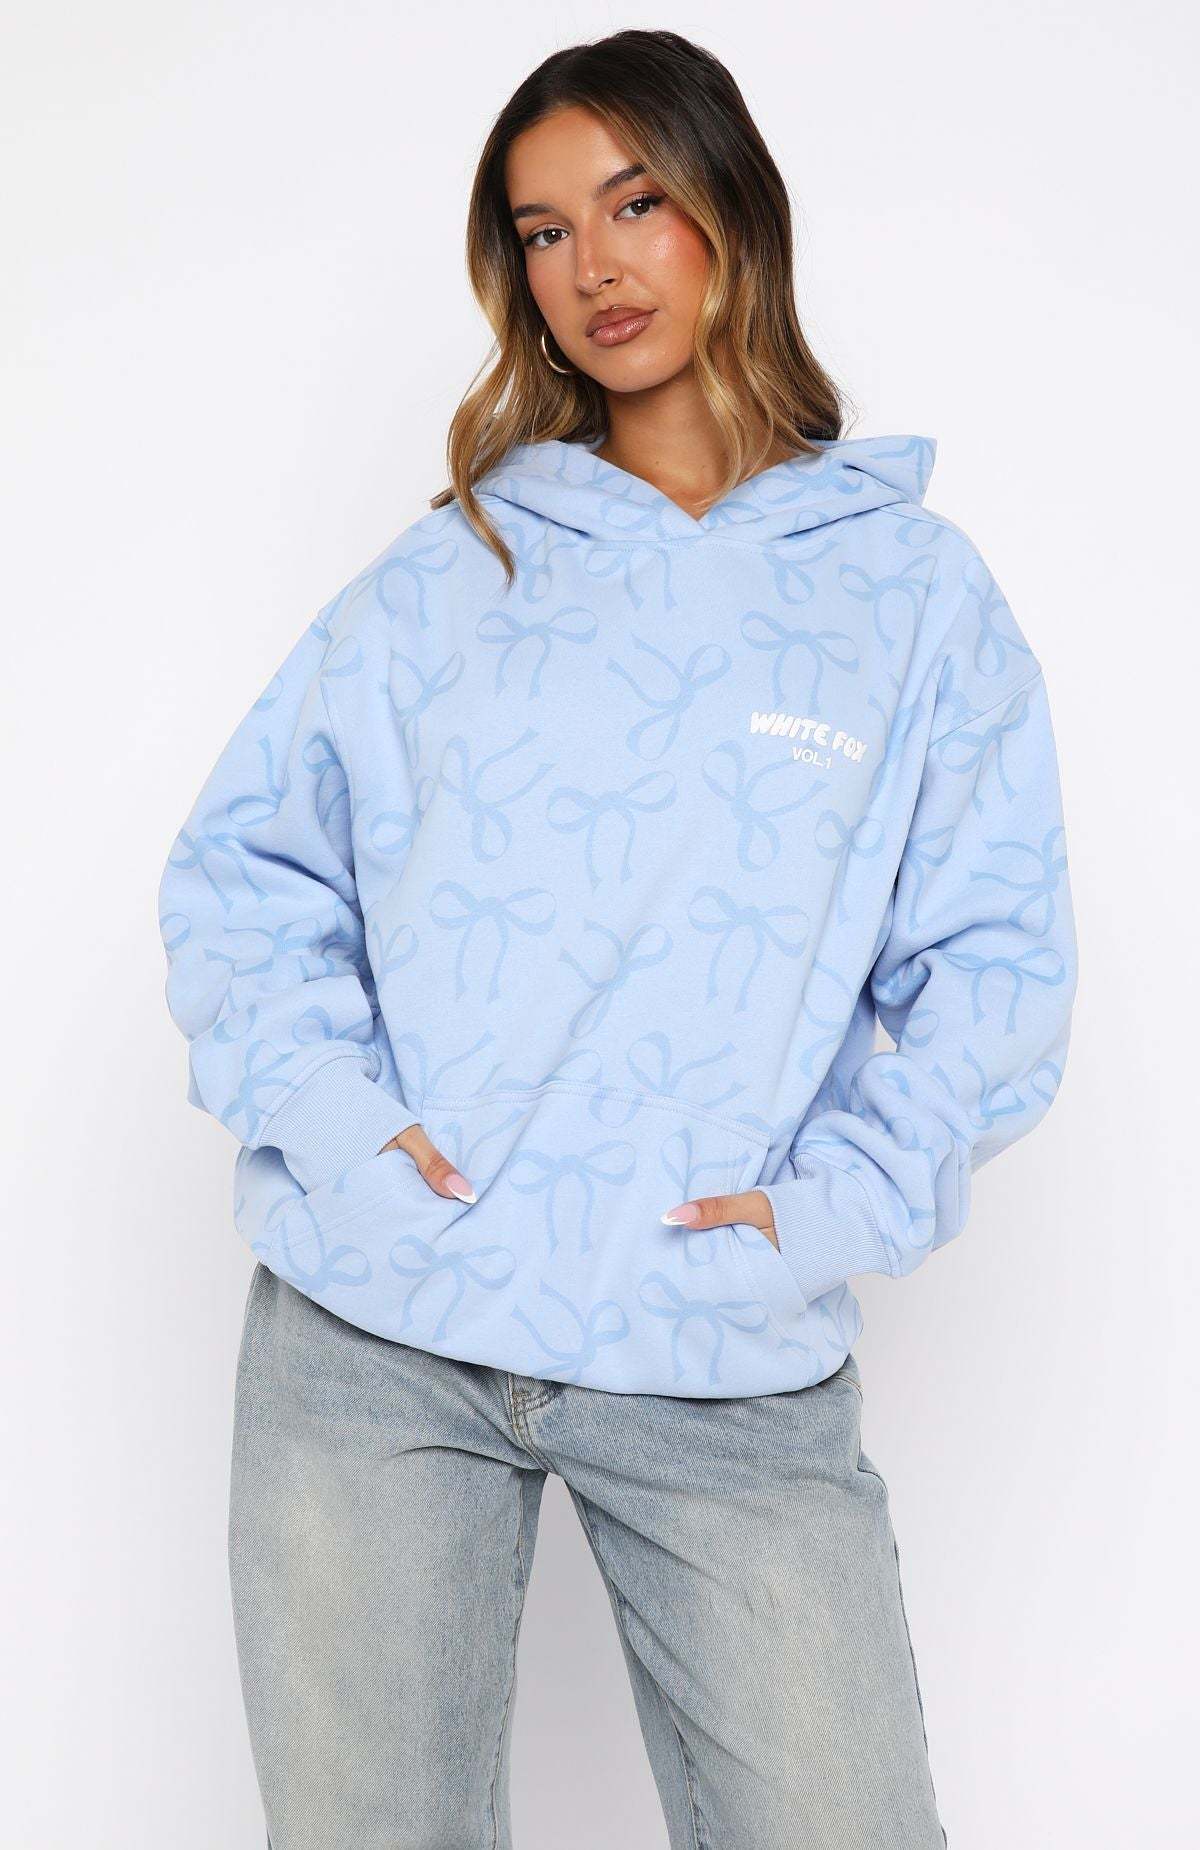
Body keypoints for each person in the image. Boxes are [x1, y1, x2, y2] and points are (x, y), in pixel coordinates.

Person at [156, 28, 1077, 1850]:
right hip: (381, 1333)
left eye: (636, 202)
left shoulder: (909, 597)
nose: (595, 265)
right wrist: (344, 1134)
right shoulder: (450, 574)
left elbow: (996, 965)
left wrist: (836, 1208)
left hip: (716, 1342)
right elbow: (242, 877)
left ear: (732, 207)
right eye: (544, 229)